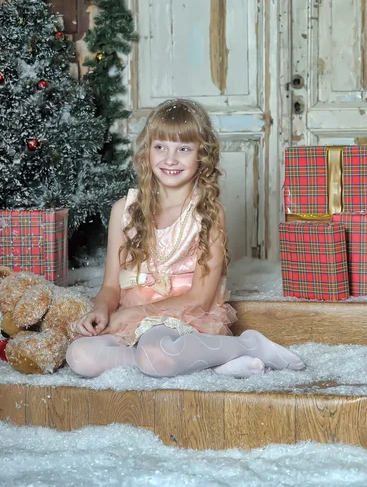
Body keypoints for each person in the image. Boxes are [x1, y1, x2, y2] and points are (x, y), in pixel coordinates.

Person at [67, 99, 305, 379]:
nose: (170, 159)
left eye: (183, 149)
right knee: (79, 355)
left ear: (201, 155)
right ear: (147, 152)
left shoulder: (208, 214)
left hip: (182, 315)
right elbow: (111, 286)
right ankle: (213, 361)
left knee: (155, 354)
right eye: (160, 147)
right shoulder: (124, 210)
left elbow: (200, 299)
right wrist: (101, 310)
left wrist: (137, 314)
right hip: (134, 316)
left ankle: (247, 345)